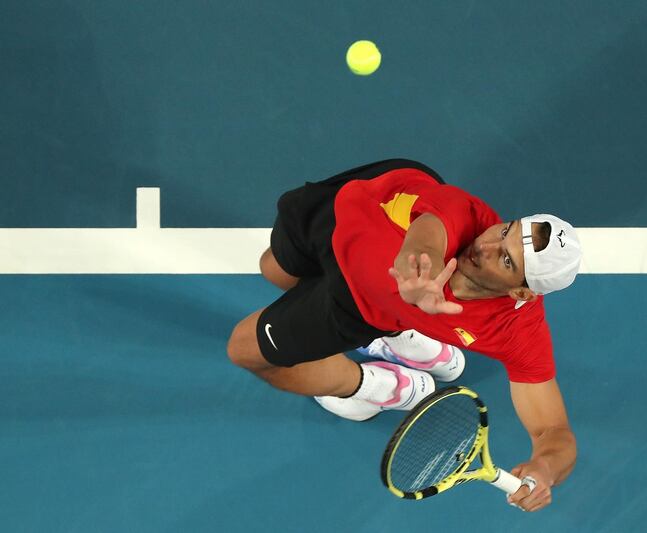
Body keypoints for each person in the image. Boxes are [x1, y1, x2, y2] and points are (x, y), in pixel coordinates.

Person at [227, 159, 582, 513]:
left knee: (244, 350)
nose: (485, 245)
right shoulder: (462, 211)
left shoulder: (516, 332)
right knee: (272, 269)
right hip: (344, 206)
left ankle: (372, 384)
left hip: (358, 306)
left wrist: (545, 470)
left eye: (506, 261)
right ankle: (402, 330)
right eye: (506, 230)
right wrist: (418, 270)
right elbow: (427, 235)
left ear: (521, 294)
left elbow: (554, 432)